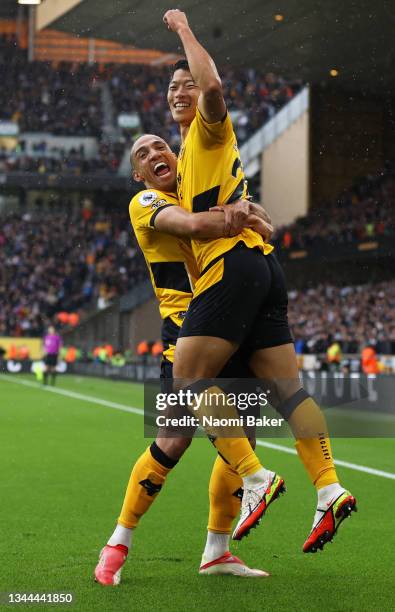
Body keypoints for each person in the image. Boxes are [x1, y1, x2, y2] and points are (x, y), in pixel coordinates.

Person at [163, 8, 356, 552]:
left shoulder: (207, 127)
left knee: (188, 378)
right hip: (262, 267)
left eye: (185, 84)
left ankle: (254, 477)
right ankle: (329, 488)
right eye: (172, 87)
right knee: (289, 391)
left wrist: (182, 28)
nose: (181, 91)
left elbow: (215, 84)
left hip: (231, 266)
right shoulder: (188, 155)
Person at [95, 135, 273, 585]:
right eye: (143, 154)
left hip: (233, 323)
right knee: (174, 439)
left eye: (160, 147)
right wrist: (234, 216)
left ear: (176, 154)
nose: (155, 155)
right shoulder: (146, 200)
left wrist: (245, 213)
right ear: (137, 174)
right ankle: (117, 543)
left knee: (244, 436)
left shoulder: (198, 186)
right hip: (187, 329)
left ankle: (217, 551)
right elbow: (193, 227)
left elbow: (265, 226)